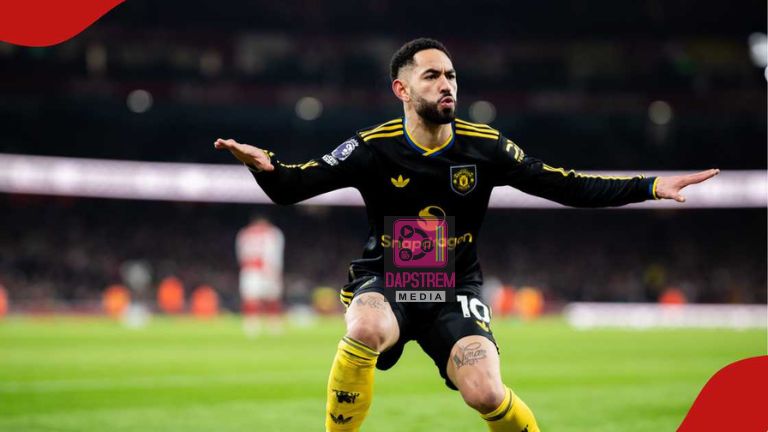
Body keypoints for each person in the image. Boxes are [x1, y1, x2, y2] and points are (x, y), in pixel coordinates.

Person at [215, 38, 718, 432]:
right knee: (365, 326)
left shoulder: (486, 147)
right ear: (402, 90)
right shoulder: (372, 146)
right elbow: (294, 186)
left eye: (451, 75)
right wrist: (266, 167)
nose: (447, 84)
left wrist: (650, 186)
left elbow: (566, 185)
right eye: (432, 75)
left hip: (453, 287)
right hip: (388, 281)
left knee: (485, 393)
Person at [236, 217, 285, 336]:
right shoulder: (273, 233)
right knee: (270, 297)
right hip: (266, 268)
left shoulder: (244, 233)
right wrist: (276, 270)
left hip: (250, 269)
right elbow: (276, 253)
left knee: (253, 297)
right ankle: (272, 324)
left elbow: (240, 253)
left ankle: (252, 324)